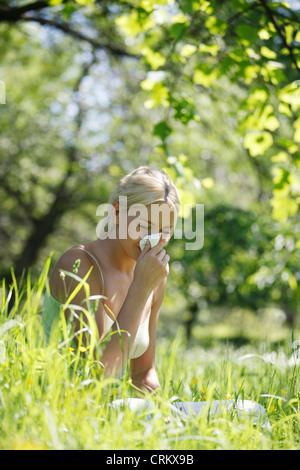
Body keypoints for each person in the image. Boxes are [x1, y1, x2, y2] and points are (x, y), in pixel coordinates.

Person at [42, 166, 270, 428]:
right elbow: (92, 379)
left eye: (165, 231)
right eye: (144, 226)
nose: (154, 240)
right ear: (116, 212)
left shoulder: (153, 274)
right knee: (141, 412)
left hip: (130, 412)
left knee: (251, 411)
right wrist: (140, 290)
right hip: (73, 411)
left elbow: (142, 373)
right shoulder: (79, 264)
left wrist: (168, 415)